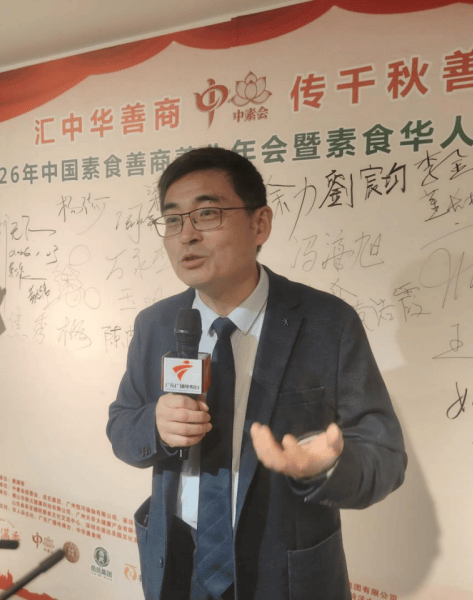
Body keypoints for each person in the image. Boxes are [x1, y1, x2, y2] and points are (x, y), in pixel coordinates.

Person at [107, 148, 406, 600]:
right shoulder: (156, 324)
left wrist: (326, 466)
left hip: (284, 575)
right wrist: (156, 425)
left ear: (259, 223)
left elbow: (384, 453)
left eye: (207, 214)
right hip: (178, 568)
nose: (187, 235)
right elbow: (121, 425)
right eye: (172, 220)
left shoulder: (328, 322)